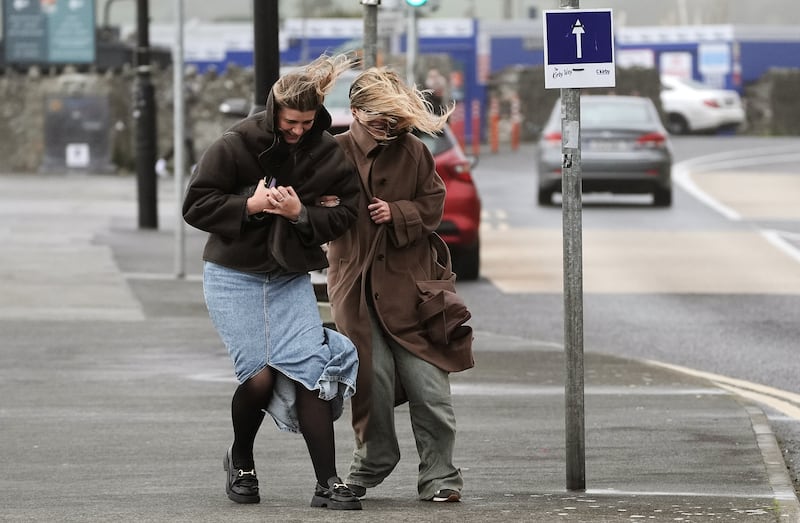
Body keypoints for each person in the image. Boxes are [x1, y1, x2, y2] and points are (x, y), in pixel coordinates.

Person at [182, 54, 363, 511]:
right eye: (290, 122)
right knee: (259, 378)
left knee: (311, 373)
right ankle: (240, 459)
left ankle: (328, 483)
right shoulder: (237, 142)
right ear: (273, 111)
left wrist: (300, 212)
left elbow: (346, 212)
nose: (298, 130)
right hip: (232, 276)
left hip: (288, 277)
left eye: (306, 122)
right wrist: (251, 205)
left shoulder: (327, 150)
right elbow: (196, 205)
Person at [326, 67, 474, 503]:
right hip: (356, 289)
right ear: (354, 112)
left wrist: (400, 213)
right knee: (373, 382)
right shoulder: (332, 152)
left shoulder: (413, 152)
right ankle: (370, 464)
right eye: (378, 119)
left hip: (412, 289)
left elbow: (434, 204)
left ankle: (441, 477)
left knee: (431, 388)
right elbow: (314, 216)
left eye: (394, 119)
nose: (387, 127)